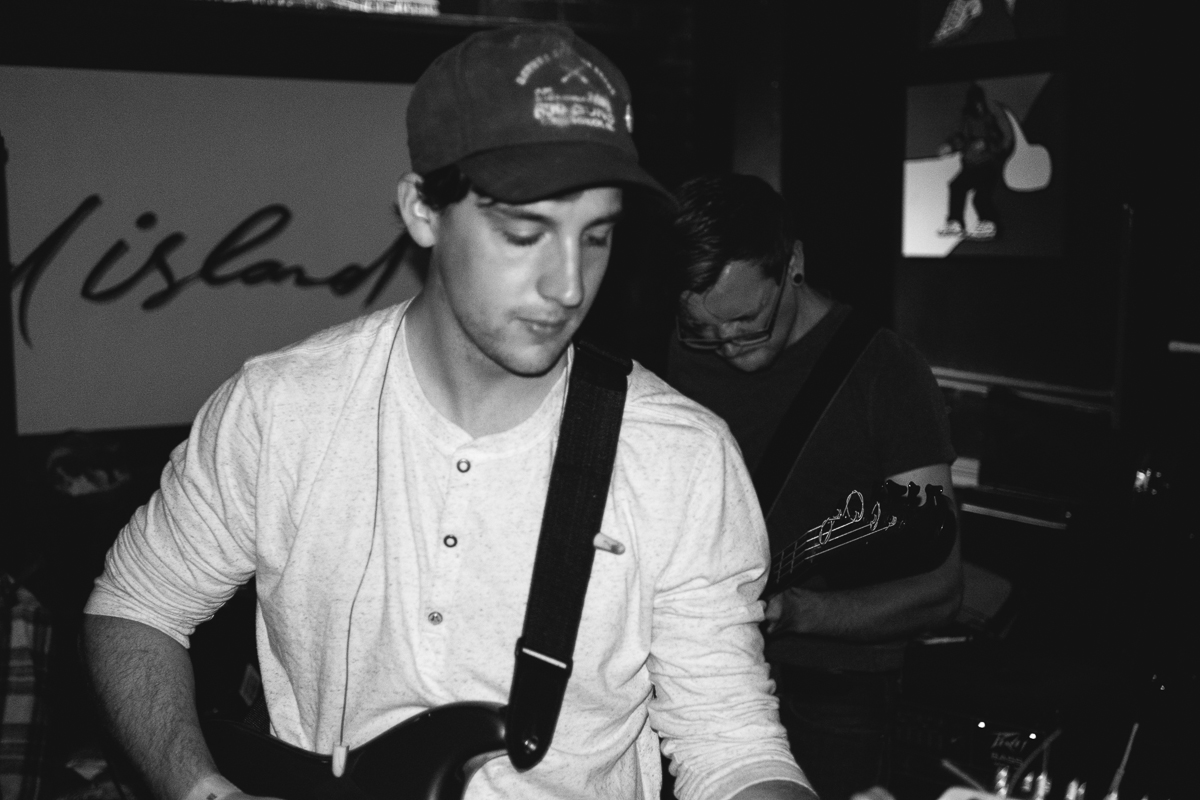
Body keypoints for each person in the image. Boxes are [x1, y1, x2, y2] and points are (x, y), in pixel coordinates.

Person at [81, 24, 812, 800]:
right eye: (525, 233)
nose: (568, 285)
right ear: (422, 211)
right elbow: (135, 607)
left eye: (596, 236)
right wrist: (199, 789)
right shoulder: (281, 409)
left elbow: (730, 742)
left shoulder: (679, 454)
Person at [666, 174, 963, 800]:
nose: (726, 345)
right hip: (688, 672)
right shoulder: (674, 354)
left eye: (746, 320)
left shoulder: (887, 372)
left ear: (793, 263)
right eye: (702, 328)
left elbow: (939, 588)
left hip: (831, 691)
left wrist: (800, 611)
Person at [936, 82, 1015, 241]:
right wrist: (950, 146)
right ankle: (956, 222)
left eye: (980, 103)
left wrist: (988, 145)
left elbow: (1005, 139)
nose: (978, 107)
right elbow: (960, 137)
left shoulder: (992, 115)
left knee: (980, 197)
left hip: (988, 165)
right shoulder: (967, 117)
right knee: (957, 186)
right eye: (975, 104)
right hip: (971, 164)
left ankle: (989, 223)